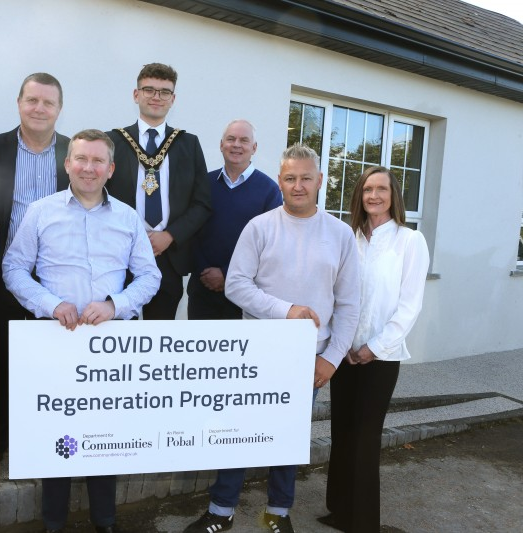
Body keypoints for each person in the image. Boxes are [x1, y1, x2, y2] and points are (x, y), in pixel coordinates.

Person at [184, 143, 360, 533]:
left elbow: (349, 304)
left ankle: (278, 513)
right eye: (290, 178)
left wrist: (330, 358)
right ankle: (220, 510)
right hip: (256, 352)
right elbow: (236, 285)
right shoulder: (260, 227)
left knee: (287, 438)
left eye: (306, 178)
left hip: (307, 358)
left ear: (319, 181)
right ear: (279, 181)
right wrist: (287, 310)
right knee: (240, 432)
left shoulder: (340, 234)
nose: (298, 186)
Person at [2, 129, 161, 533]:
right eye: (80, 159)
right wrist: (51, 304)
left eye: (97, 161)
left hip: (111, 347)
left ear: (110, 169)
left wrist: (115, 305)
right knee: (58, 434)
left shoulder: (128, 217)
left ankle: (104, 521)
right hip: (56, 341)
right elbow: (14, 268)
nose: (88, 168)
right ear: (67, 164)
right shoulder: (40, 211)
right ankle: (53, 521)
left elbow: (149, 276)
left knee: (103, 436)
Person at [0, 73, 69, 486]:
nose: (39, 108)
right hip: (3, 277)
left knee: (49, 368)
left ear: (60, 109)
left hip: (57, 283)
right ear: (19, 102)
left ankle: (43, 443)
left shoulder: (74, 154)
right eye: (32, 100)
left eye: (48, 102)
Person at [319, 167, 429, 533]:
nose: (374, 196)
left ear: (393, 195)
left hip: (381, 357)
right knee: (341, 433)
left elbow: (409, 306)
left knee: (365, 438)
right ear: (359, 196)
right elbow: (337, 294)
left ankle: (363, 522)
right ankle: (339, 509)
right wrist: (339, 345)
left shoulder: (410, 241)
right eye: (368, 189)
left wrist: (374, 348)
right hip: (343, 353)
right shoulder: (349, 237)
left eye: (382, 189)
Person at [106, 62, 211, 319]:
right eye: (149, 89)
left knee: (158, 337)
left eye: (164, 92)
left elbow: (202, 203)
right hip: (121, 254)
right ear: (136, 94)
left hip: (168, 256)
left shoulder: (188, 144)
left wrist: (171, 235)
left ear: (173, 99)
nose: (156, 97)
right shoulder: (113, 141)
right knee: (118, 334)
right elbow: (98, 195)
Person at [187, 119, 282, 320]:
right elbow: (190, 229)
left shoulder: (269, 190)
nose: (236, 145)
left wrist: (226, 273)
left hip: (246, 296)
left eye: (244, 140)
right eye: (231, 139)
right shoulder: (203, 183)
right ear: (221, 145)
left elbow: (270, 245)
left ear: (254, 148)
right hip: (202, 290)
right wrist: (204, 270)